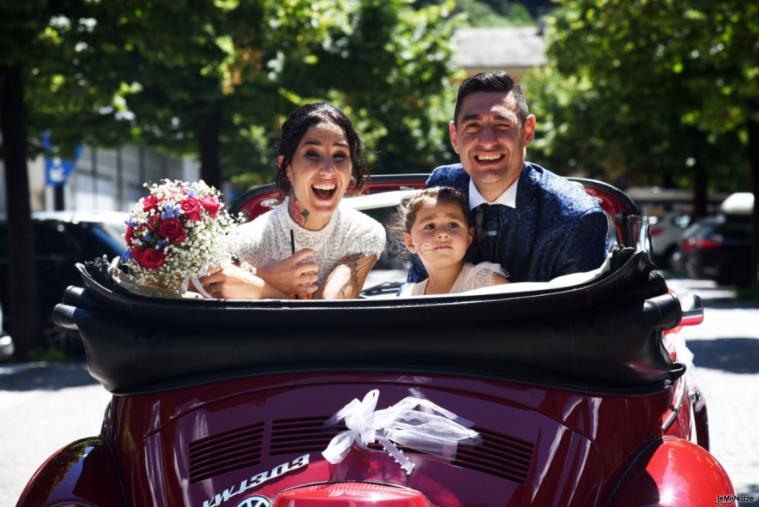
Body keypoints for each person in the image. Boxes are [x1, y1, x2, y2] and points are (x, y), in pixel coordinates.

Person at [408, 72, 608, 284]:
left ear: (528, 131)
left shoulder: (576, 217)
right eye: (472, 126)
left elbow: (580, 314)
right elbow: (421, 286)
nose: (487, 141)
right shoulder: (440, 189)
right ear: (454, 136)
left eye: (502, 125)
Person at [201, 103, 385, 299]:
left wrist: (258, 285)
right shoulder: (246, 240)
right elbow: (181, 285)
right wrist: (267, 278)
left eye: (340, 156)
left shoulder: (364, 233)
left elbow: (328, 312)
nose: (328, 169)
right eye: (312, 154)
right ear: (286, 167)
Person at [399, 186, 508, 296]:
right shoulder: (409, 296)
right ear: (410, 241)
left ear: (469, 236)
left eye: (453, 225)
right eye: (430, 226)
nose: (443, 234)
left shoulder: (487, 284)